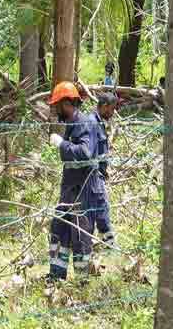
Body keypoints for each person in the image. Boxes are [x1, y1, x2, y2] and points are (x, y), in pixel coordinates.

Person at [46, 82, 101, 283]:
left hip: (83, 190)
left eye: (56, 105)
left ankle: (82, 280)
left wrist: (62, 144)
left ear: (67, 103)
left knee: (80, 234)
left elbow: (85, 154)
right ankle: (56, 276)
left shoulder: (84, 123)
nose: (55, 110)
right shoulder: (72, 124)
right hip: (70, 189)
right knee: (59, 228)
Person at [89, 93, 118, 249]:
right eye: (112, 109)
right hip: (93, 176)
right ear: (105, 106)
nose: (113, 113)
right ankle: (109, 245)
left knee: (97, 209)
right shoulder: (92, 123)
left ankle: (102, 244)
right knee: (102, 208)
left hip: (98, 174)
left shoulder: (98, 123)